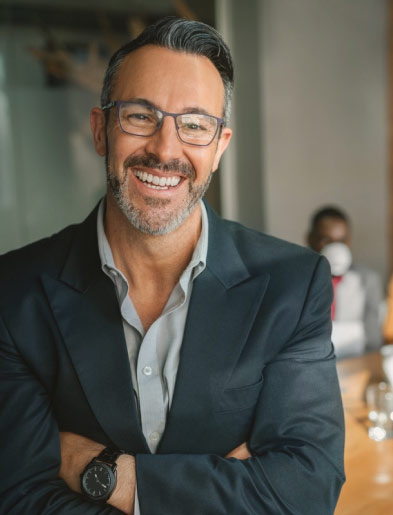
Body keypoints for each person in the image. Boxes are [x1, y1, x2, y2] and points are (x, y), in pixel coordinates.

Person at [0, 17, 345, 515]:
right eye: (140, 116)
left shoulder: (292, 285)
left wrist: (100, 472)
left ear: (220, 147)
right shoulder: (14, 294)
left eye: (195, 125)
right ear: (101, 130)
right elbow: (19, 498)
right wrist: (235, 486)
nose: (165, 149)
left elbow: (306, 492)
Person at [307, 205, 383, 358]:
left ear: (349, 241)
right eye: (326, 240)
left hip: (354, 365)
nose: (335, 248)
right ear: (310, 239)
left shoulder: (368, 280)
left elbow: (374, 341)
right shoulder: (298, 281)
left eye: (342, 241)